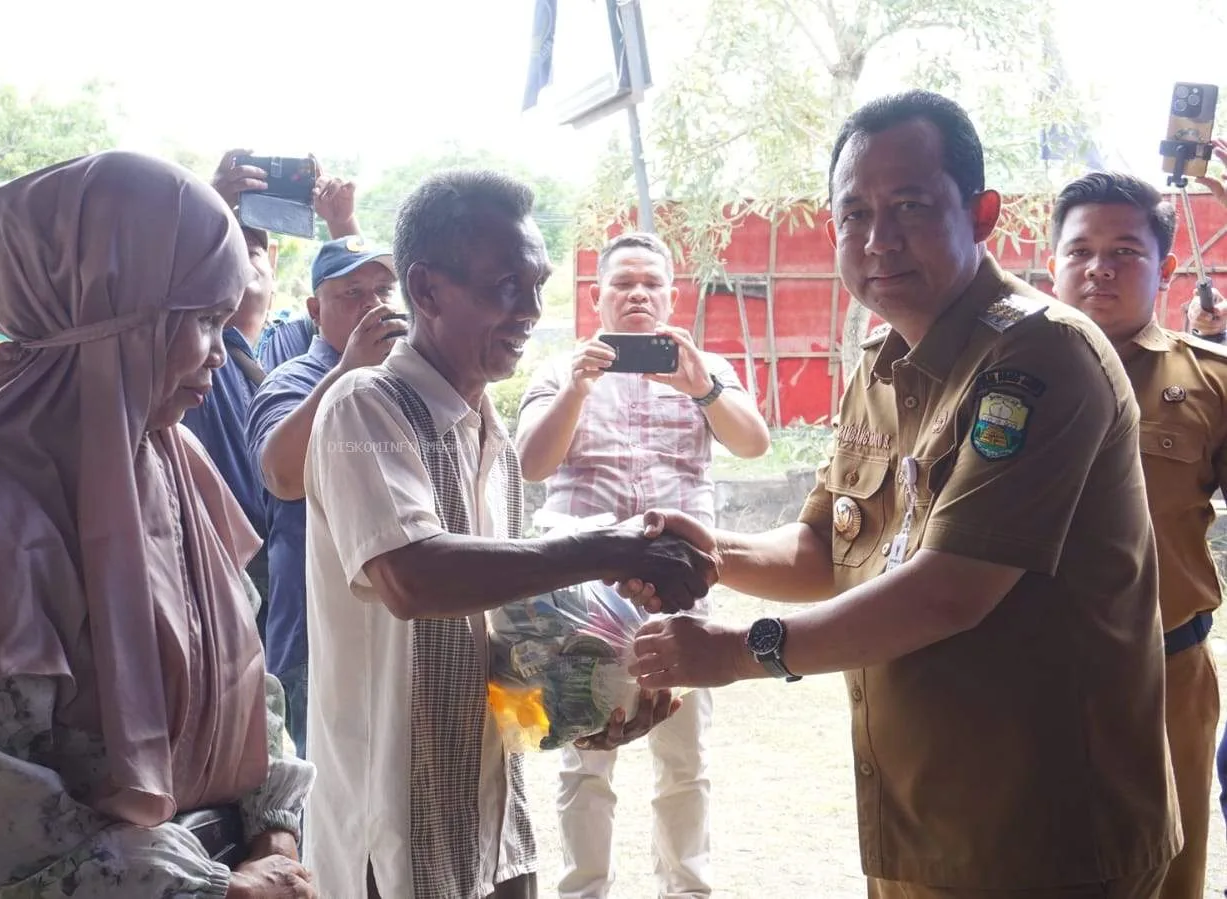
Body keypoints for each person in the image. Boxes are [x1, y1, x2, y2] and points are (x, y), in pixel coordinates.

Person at [624, 90, 1179, 897]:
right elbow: (826, 546)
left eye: (909, 206)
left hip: (1046, 836)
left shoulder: (1041, 357)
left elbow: (948, 590)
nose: (877, 240)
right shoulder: (882, 366)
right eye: (854, 214)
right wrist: (714, 551)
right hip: (924, 821)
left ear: (981, 214)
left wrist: (738, 651)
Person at [0, 151, 317, 898]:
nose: (220, 354)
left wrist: (272, 831)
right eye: (202, 320)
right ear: (113, 314)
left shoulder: (173, 457)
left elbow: (244, 679)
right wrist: (219, 890)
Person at [302, 169, 714, 899]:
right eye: (504, 286)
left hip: (491, 815)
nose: (530, 310)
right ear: (426, 290)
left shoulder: (486, 431)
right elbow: (414, 578)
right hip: (390, 825)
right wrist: (611, 546)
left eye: (537, 285)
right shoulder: (364, 407)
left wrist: (581, 703)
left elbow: (498, 635)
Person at [516, 230, 770, 899]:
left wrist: (703, 388)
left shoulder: (704, 369)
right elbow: (532, 464)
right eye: (622, 283)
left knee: (684, 758)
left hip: (681, 588)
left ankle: (686, 889)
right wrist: (578, 390)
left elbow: (753, 443)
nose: (637, 295)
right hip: (582, 592)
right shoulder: (561, 370)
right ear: (596, 297)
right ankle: (584, 891)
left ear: (670, 296)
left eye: (651, 284)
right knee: (584, 758)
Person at [1045, 170, 1227, 899]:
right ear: (1051, 262)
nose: (1099, 267)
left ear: (1165, 267)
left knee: (1168, 875)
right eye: (1080, 249)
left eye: (1125, 250)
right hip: (1017, 676)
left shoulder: (1210, 382)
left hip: (1167, 677)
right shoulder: (985, 370)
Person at [184, 151, 361, 614]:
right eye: (222, 244)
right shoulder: (185, 345)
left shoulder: (300, 341)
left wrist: (341, 222)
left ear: (273, 266)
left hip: (298, 564)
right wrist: (211, 203)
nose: (238, 256)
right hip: (215, 561)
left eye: (252, 247)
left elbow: (361, 314)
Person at [247, 235, 402, 757]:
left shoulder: (410, 383)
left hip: (399, 627)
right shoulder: (293, 381)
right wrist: (346, 371)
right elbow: (282, 476)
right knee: (334, 798)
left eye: (383, 290)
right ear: (315, 311)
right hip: (318, 639)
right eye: (352, 293)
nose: (372, 305)